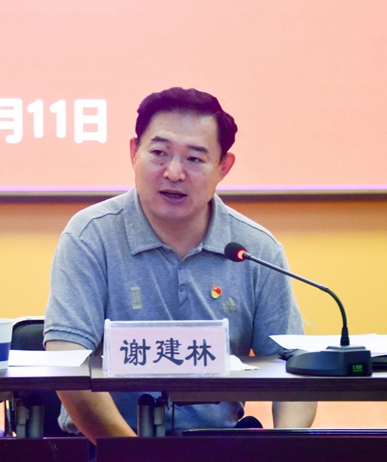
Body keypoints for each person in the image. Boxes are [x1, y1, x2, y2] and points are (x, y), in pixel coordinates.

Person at [44, 87, 317, 444]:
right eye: (159, 153)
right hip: (104, 449)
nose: (173, 173)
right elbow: (67, 357)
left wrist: (286, 449)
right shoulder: (90, 236)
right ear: (133, 152)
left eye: (194, 159)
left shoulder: (254, 248)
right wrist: (131, 455)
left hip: (217, 446)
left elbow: (294, 367)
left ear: (223, 167)